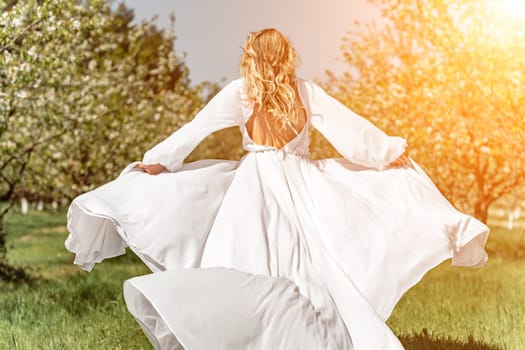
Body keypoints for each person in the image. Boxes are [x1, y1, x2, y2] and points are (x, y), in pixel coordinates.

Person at [65, 28, 490, 349]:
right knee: (310, 261)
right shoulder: (305, 91)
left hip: (255, 184)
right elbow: (349, 130)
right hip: (302, 181)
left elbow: (197, 129)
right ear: (286, 56)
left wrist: (160, 159)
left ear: (251, 57)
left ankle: (239, 333)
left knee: (247, 256)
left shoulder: (241, 93)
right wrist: (384, 152)